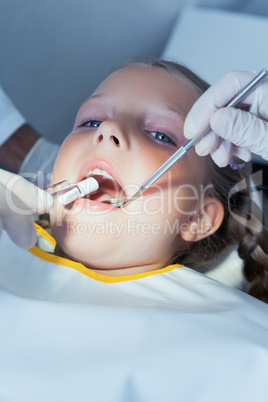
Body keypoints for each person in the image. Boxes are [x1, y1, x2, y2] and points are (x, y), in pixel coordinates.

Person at [0, 60, 268, 402]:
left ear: (197, 218)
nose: (107, 129)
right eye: (91, 121)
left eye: (160, 135)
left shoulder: (244, 347)